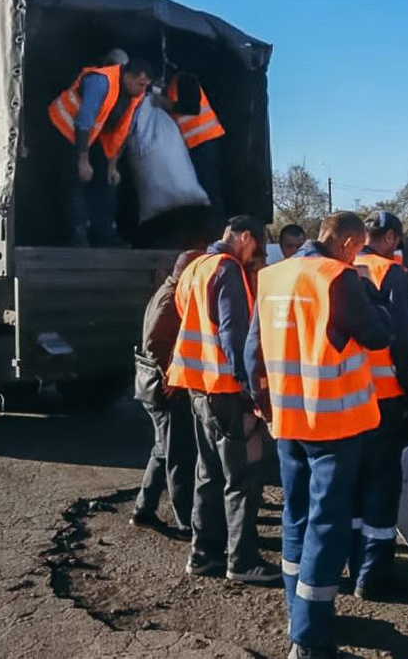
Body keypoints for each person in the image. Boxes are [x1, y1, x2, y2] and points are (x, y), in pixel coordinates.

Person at [246, 211, 393, 659]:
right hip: (334, 423)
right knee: (326, 526)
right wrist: (373, 293)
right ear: (349, 243)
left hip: (288, 419)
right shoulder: (340, 279)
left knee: (297, 516)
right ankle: (308, 639)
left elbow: (253, 349)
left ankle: (300, 610)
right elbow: (378, 334)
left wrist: (264, 404)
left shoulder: (272, 276)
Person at [167, 215, 279, 585]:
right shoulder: (227, 269)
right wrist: (252, 393)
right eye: (255, 247)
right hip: (225, 390)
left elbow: (186, 317)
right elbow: (233, 334)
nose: (254, 255)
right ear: (244, 236)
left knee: (209, 474)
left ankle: (204, 554)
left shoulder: (196, 267)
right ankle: (242, 559)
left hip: (196, 387)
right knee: (241, 478)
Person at [348, 211, 408, 600]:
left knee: (351, 485)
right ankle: (373, 573)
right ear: (389, 238)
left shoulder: (341, 267)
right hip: (384, 400)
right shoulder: (390, 272)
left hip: (346, 397)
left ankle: (353, 563)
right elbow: (404, 341)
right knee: (381, 486)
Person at [132, 249, 204, 538]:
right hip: (164, 390)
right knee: (179, 457)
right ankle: (187, 522)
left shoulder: (166, 291)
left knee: (163, 450)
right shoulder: (170, 299)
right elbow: (155, 342)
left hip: (153, 386)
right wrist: (171, 376)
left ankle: (143, 510)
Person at [48, 58, 155, 246]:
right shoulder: (101, 82)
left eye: (145, 86)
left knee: (105, 181)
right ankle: (78, 238)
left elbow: (121, 130)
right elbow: (84, 121)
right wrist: (83, 160)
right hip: (65, 128)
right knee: (75, 179)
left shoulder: (136, 95)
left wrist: (112, 165)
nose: (142, 90)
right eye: (140, 84)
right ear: (129, 77)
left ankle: (105, 236)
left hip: (92, 135)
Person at [162, 73, 227, 234]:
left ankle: (215, 232)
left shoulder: (184, 79)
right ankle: (202, 231)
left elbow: (192, 107)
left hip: (204, 140)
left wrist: (166, 105)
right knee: (200, 189)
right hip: (196, 143)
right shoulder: (172, 87)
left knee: (208, 188)